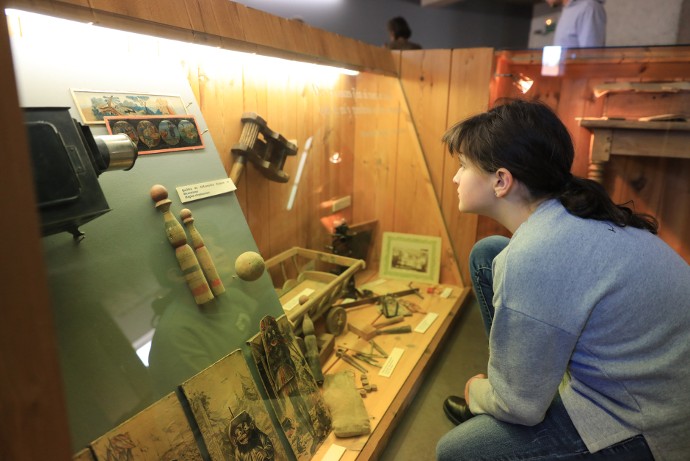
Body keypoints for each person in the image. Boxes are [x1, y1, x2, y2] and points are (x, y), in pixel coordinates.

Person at [437, 99, 690, 460]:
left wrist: (476, 391)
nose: (456, 177)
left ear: (501, 180)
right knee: (488, 254)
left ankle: (506, 396)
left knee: (457, 452)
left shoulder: (535, 254)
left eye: (463, 166)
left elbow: (521, 409)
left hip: (652, 423)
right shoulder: (569, 215)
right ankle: (514, 385)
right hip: (657, 384)